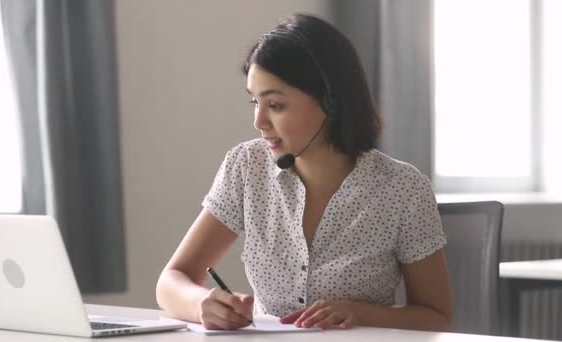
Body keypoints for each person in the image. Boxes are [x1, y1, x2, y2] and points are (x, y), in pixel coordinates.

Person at [156, 13, 453, 331]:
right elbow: (172, 280)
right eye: (255, 102)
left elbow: (436, 316)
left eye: (276, 105)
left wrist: (359, 313)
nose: (259, 122)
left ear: (331, 102)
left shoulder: (402, 188)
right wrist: (202, 304)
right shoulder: (246, 167)